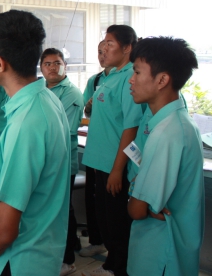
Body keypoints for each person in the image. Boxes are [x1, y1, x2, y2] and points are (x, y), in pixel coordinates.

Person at [0, 10, 70, 276]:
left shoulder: (27, 122)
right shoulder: (44, 100)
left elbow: (4, 231)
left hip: (17, 261)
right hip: (40, 253)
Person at [126, 36, 203, 276]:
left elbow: (137, 210)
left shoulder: (167, 133)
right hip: (167, 248)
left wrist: (137, 199)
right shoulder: (176, 122)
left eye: (137, 72)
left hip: (160, 253)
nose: (131, 80)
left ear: (162, 80)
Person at [81, 25, 143, 276]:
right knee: (104, 220)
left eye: (110, 43)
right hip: (98, 161)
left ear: (127, 48)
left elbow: (131, 128)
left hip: (114, 165)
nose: (104, 48)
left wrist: (118, 169)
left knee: (117, 223)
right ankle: (111, 263)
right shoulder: (107, 77)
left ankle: (118, 268)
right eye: (103, 43)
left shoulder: (130, 78)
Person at [39, 48, 84, 276]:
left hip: (61, 161)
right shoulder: (39, 89)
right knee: (53, 210)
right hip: (43, 160)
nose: (52, 67)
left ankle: (67, 260)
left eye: (57, 63)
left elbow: (61, 130)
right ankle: (61, 250)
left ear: (65, 65)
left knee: (62, 210)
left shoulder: (71, 93)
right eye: (47, 63)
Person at [79, 40, 111, 258]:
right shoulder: (96, 80)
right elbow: (87, 111)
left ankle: (115, 252)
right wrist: (89, 107)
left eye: (106, 50)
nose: (102, 55)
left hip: (113, 153)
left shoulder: (126, 80)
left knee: (112, 204)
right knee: (92, 197)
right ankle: (97, 240)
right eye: (99, 52)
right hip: (94, 148)